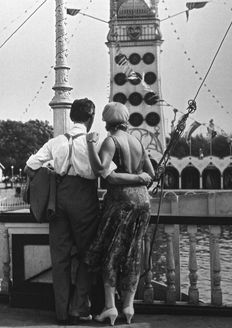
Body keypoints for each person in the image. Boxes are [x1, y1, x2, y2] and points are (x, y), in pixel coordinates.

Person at [24, 98, 152, 325]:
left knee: (60, 258)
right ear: (91, 118)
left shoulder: (55, 142)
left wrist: (51, 173)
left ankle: (62, 313)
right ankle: (79, 307)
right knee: (89, 255)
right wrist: (141, 178)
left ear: (71, 116)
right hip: (85, 199)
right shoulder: (95, 142)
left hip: (59, 199)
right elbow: (107, 173)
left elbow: (30, 166)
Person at [84, 102, 155, 325]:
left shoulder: (111, 141)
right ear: (125, 119)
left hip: (120, 202)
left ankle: (110, 307)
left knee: (111, 252)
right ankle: (129, 306)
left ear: (106, 121)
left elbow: (105, 173)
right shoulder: (137, 142)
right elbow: (150, 175)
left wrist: (90, 145)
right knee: (133, 252)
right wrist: (139, 178)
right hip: (143, 202)